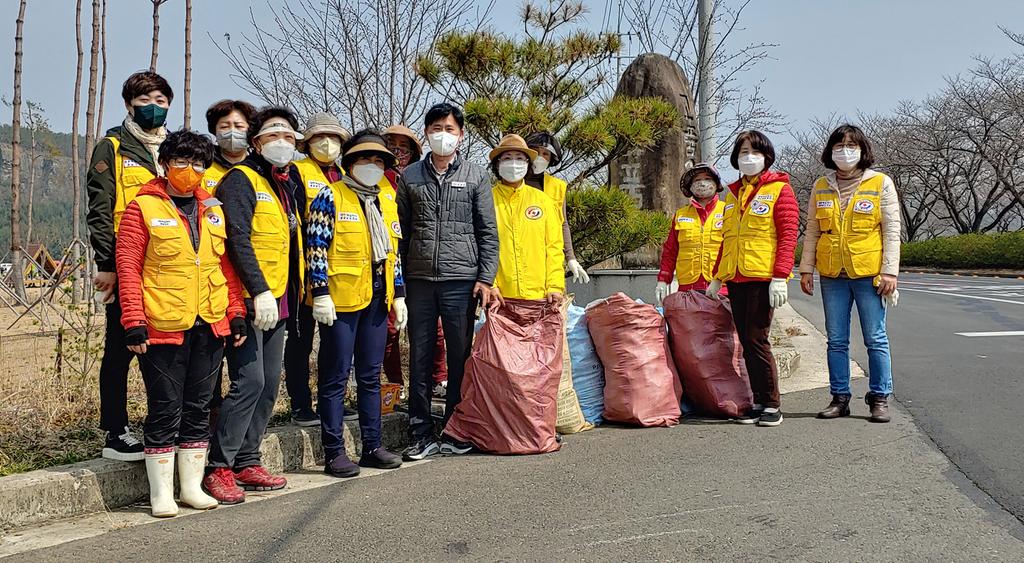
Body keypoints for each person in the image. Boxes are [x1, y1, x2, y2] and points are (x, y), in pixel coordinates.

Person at [115, 129, 247, 517]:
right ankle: (161, 493)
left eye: (198, 163)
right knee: (164, 407)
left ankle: (190, 486)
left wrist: (235, 313)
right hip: (161, 323)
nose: (190, 170)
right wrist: (133, 319)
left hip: (209, 320)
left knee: (200, 405)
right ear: (164, 164)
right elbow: (127, 267)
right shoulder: (143, 209)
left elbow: (226, 267)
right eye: (182, 162)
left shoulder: (213, 209)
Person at [202, 107, 305, 504]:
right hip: (248, 300)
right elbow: (237, 240)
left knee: (269, 383)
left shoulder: (283, 184)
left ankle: (248, 458)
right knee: (250, 381)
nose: (282, 142)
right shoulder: (240, 180)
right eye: (272, 135)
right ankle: (219, 466)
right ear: (257, 142)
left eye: (288, 136)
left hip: (278, 299)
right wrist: (256, 290)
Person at [396, 102, 499, 461]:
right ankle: (420, 431)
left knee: (460, 357)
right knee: (420, 357)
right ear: (426, 133)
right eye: (436, 128)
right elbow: (402, 232)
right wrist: (400, 283)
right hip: (420, 279)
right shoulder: (409, 176)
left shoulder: (475, 175)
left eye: (450, 129)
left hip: (461, 281)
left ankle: (456, 428)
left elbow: (488, 231)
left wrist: (485, 278)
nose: (443, 135)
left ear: (461, 134)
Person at [306, 130, 406, 477]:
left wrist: (400, 294)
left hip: (378, 300)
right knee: (335, 377)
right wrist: (319, 292)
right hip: (341, 300)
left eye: (379, 161)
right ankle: (334, 451)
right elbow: (316, 247)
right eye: (366, 159)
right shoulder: (330, 196)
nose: (373, 166)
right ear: (350, 163)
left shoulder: (386, 200)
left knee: (369, 375)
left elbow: (393, 252)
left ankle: (372, 446)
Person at [87, 70, 174, 461]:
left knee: (167, 347)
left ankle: (167, 422)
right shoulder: (112, 147)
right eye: (144, 101)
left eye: (160, 101)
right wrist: (106, 263)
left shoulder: (173, 149)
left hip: (170, 267)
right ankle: (116, 430)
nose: (153, 108)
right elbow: (100, 210)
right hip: (127, 264)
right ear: (128, 105)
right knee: (121, 347)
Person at [799, 124, 900, 423]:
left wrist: (890, 272)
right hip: (832, 274)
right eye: (839, 146)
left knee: (875, 338)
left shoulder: (880, 183)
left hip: (869, 274)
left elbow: (892, 230)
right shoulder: (821, 186)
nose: (845, 151)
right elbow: (813, 230)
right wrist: (806, 269)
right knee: (836, 339)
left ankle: (879, 397)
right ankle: (840, 398)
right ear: (830, 151)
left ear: (862, 150)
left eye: (851, 145)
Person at [707, 130, 799, 427]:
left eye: (755, 152)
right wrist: (717, 278)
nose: (749, 158)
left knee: (758, 339)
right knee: (746, 340)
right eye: (743, 152)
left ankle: (772, 403)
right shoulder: (732, 194)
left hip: (762, 276)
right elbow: (727, 239)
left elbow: (787, 236)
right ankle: (758, 400)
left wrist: (780, 276)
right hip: (736, 277)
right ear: (736, 158)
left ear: (767, 157)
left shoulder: (779, 190)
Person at [282, 112, 351, 427]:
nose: (328, 143)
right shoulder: (296, 171)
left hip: (341, 275)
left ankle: (330, 400)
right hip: (303, 272)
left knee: (335, 344)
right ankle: (300, 403)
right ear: (306, 143)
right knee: (301, 341)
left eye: (334, 138)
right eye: (320, 137)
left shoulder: (345, 174)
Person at [381, 125, 448, 395]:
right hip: (387, 263)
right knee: (390, 329)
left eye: (404, 149)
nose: (398, 154)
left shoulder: (421, 180)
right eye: (392, 147)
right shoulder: (377, 180)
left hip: (420, 263)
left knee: (434, 328)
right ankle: (394, 384)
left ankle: (439, 378)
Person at [488, 134, 566, 306]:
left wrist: (555, 286)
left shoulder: (543, 200)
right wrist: (490, 285)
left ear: (528, 164)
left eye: (519, 158)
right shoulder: (486, 200)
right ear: (497, 164)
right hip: (500, 298)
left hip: (541, 297)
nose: (514, 163)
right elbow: (479, 247)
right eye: (507, 158)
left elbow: (553, 246)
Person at [655, 163, 727, 305]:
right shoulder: (681, 215)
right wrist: (663, 280)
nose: (702, 183)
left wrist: (719, 279)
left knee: (722, 327)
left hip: (722, 289)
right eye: (697, 180)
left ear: (716, 183)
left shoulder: (728, 211)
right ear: (690, 186)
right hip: (688, 289)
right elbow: (670, 252)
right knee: (690, 327)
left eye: (707, 178)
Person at [524, 131, 589, 284]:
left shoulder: (557, 187)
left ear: (551, 159)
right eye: (535, 152)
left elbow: (563, 223)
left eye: (545, 154)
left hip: (549, 259)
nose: (539, 157)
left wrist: (571, 258)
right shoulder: (512, 183)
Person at [203, 99, 256, 191]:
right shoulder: (203, 164)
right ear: (214, 131)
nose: (232, 131)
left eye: (239, 126)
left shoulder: (259, 168)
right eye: (224, 127)